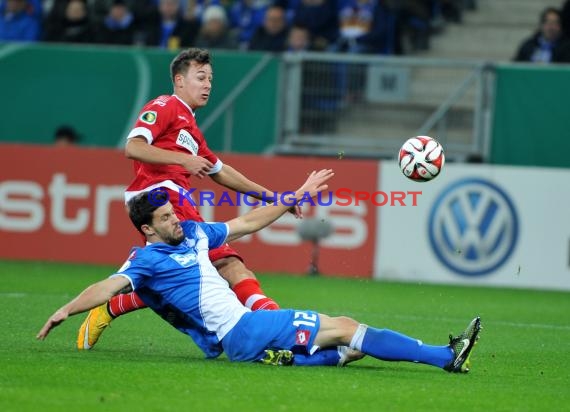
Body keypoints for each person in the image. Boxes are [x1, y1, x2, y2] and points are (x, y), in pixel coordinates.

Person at [38, 170, 482, 372]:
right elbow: (107, 286)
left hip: (240, 338)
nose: (176, 219)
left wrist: (297, 193)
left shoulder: (193, 234)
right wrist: (67, 309)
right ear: (145, 228)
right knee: (347, 326)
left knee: (347, 345)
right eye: (166, 218)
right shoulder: (146, 261)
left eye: (174, 212)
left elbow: (248, 222)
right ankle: (445, 357)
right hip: (242, 330)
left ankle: (322, 357)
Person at [76, 47, 295, 351]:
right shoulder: (165, 105)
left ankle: (113, 307)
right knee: (229, 264)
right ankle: (279, 330)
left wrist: (274, 197)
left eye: (210, 79)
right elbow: (134, 147)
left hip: (176, 199)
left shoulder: (191, 129)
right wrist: (182, 161)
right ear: (179, 80)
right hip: (160, 198)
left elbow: (221, 172)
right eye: (200, 77)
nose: (207, 85)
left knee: (188, 270)